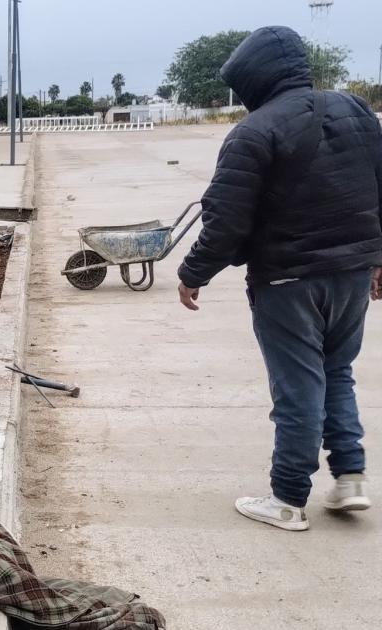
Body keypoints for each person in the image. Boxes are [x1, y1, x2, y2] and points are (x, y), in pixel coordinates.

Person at [176, 25, 382, 531]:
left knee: (297, 388)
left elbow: (225, 218)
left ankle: (288, 498)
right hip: (352, 272)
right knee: (336, 371)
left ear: (253, 79)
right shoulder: (356, 110)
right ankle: (351, 477)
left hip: (288, 282)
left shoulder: (252, 132)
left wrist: (193, 271)